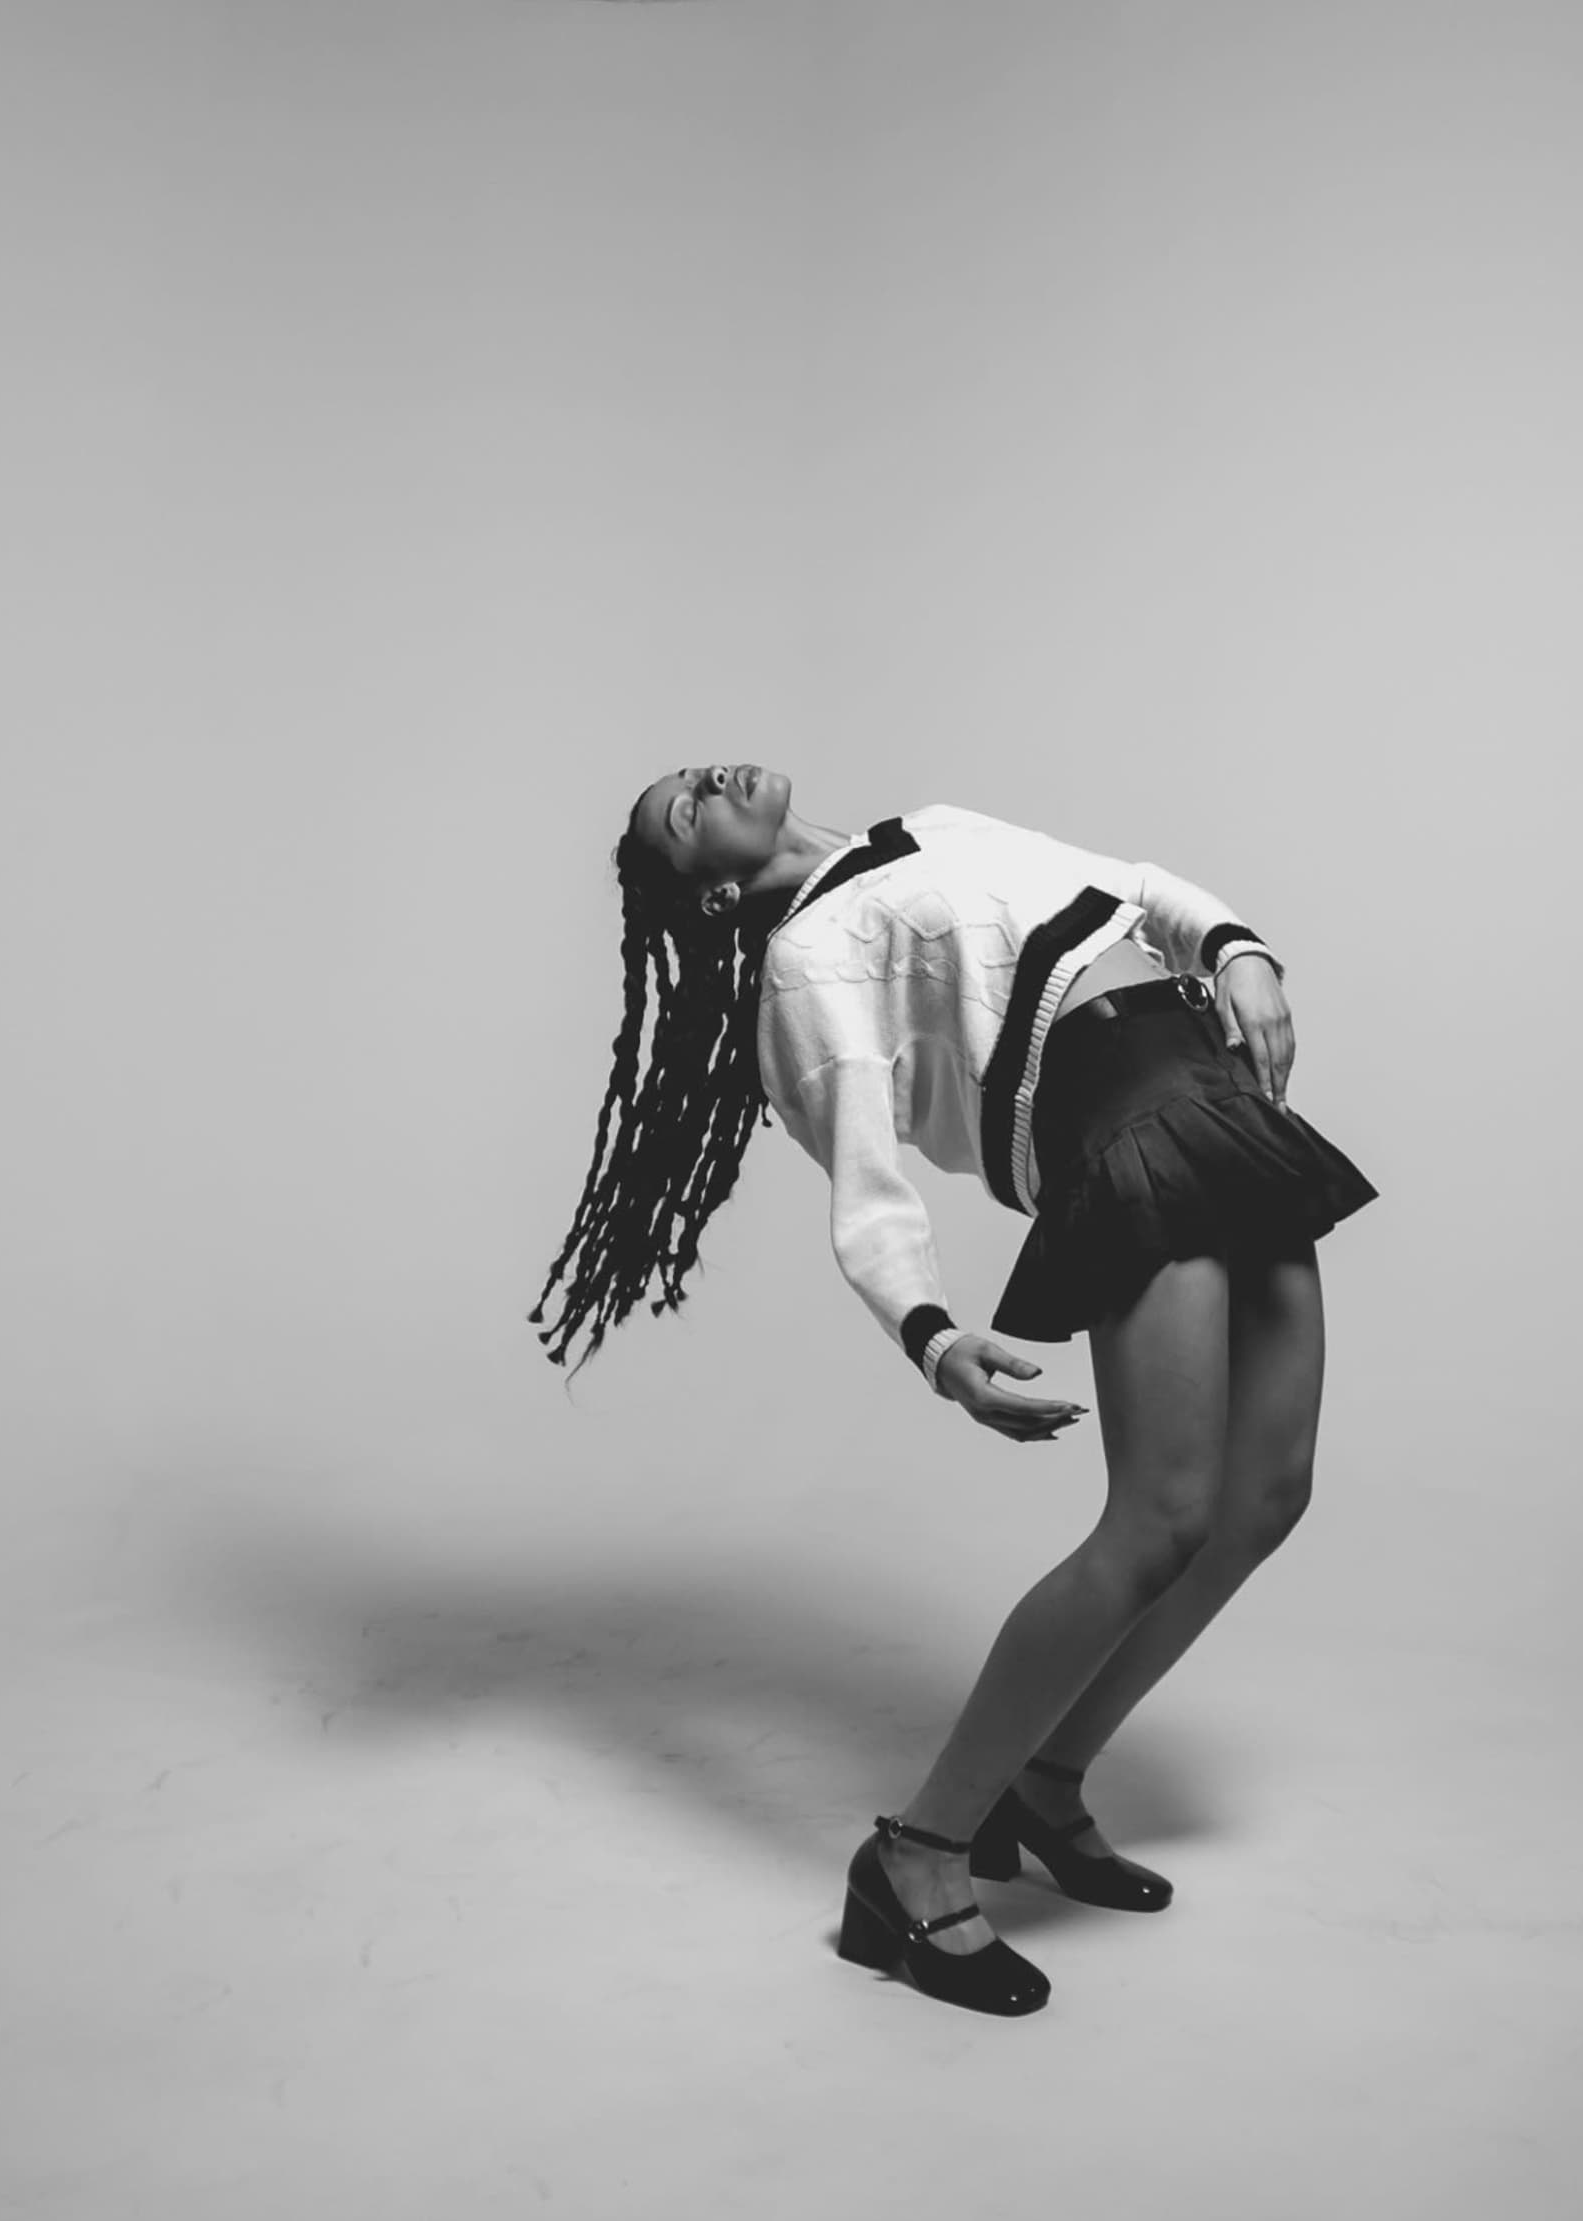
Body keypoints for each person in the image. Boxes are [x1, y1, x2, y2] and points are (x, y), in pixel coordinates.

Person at [528, 766, 1376, 2017]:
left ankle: (1045, 1781)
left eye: (694, 775)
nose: (707, 782)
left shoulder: (931, 828)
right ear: (708, 892)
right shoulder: (807, 961)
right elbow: (865, 1184)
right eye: (683, 811)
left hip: (1217, 1086)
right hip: (1126, 1127)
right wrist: (930, 1335)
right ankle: (917, 1854)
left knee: (1268, 1497)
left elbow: (1134, 887)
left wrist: (1238, 946)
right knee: (1162, 1522)